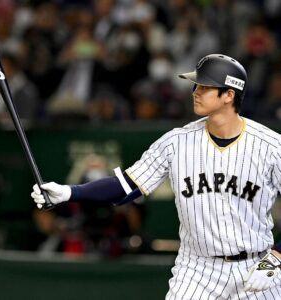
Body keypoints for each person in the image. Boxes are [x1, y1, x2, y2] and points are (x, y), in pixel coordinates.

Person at [31, 54, 281, 299]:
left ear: (229, 94)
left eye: (205, 86)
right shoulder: (175, 142)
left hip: (257, 266)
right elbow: (126, 185)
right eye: (196, 84)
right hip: (198, 269)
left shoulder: (270, 146)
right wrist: (70, 192)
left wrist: (275, 258)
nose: (195, 90)